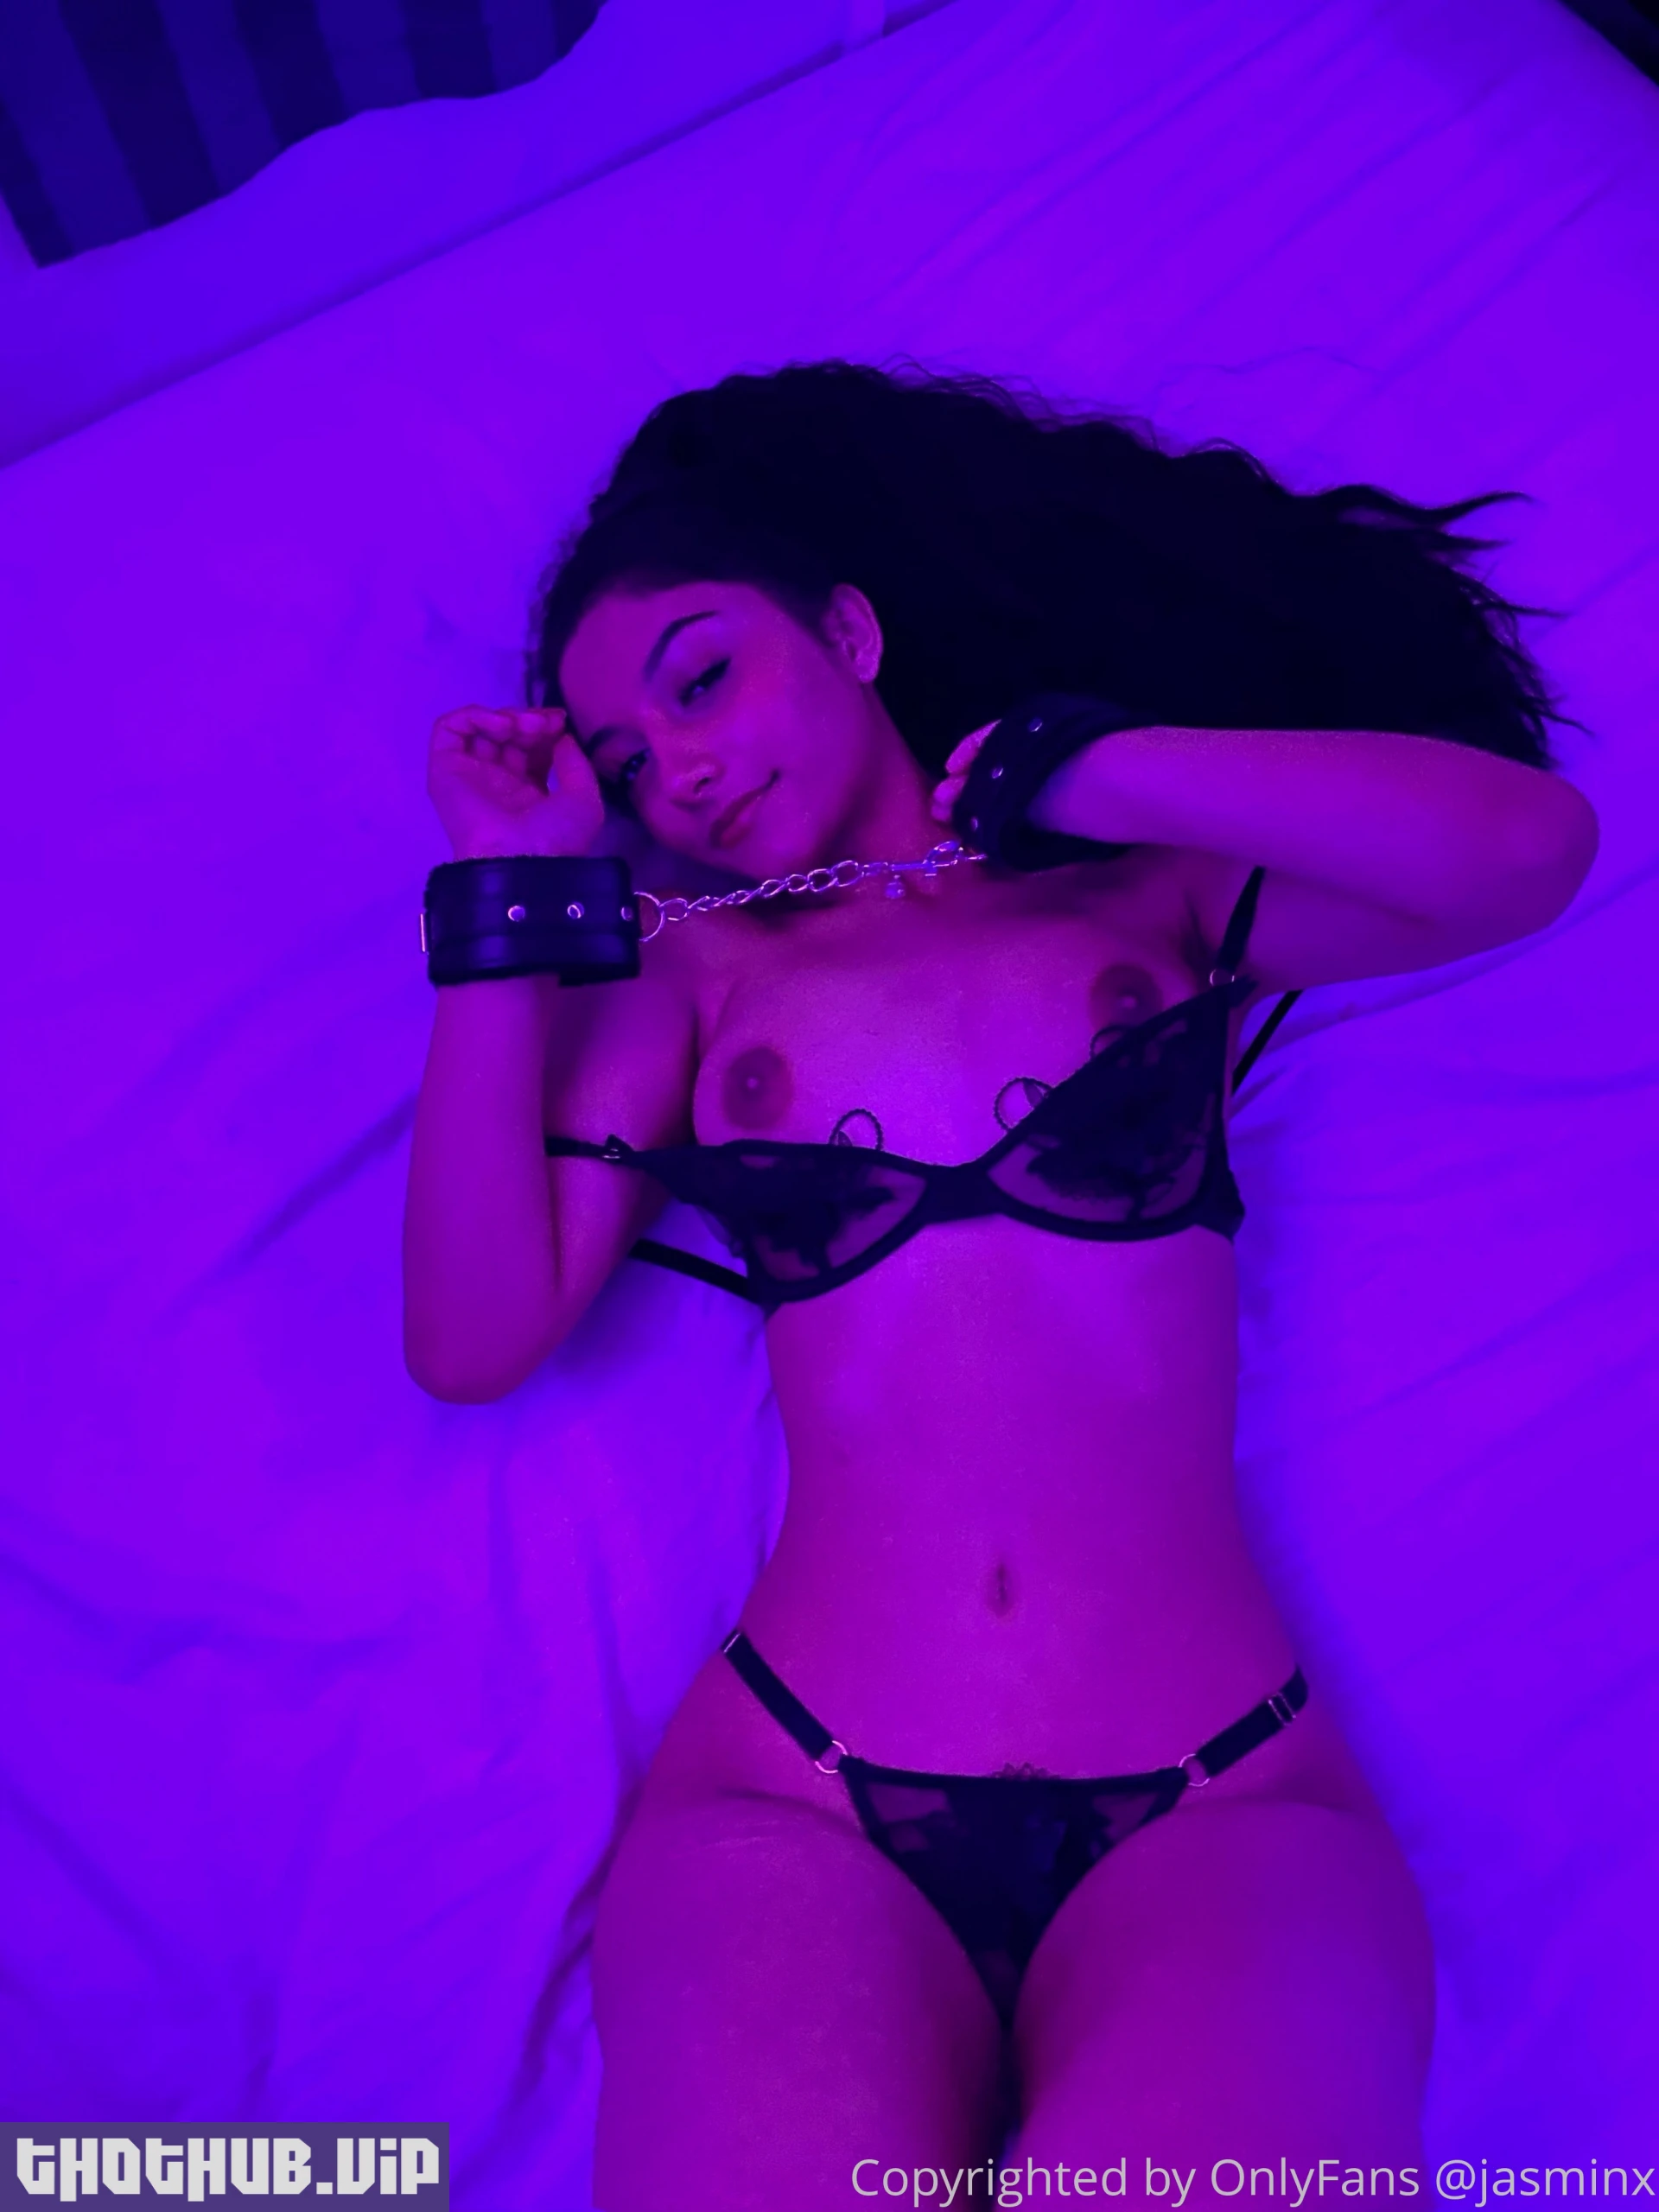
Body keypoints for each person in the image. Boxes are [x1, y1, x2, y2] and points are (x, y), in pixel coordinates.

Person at [401, 364, 1598, 2208]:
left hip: (1222, 1803)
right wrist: (504, 892)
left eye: (702, 678)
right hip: (795, 1799)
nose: (681, 769)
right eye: (629, 762)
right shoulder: (691, 976)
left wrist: (1095, 767)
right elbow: (475, 1328)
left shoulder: (1140, 893)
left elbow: (1526, 854)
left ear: (850, 632)